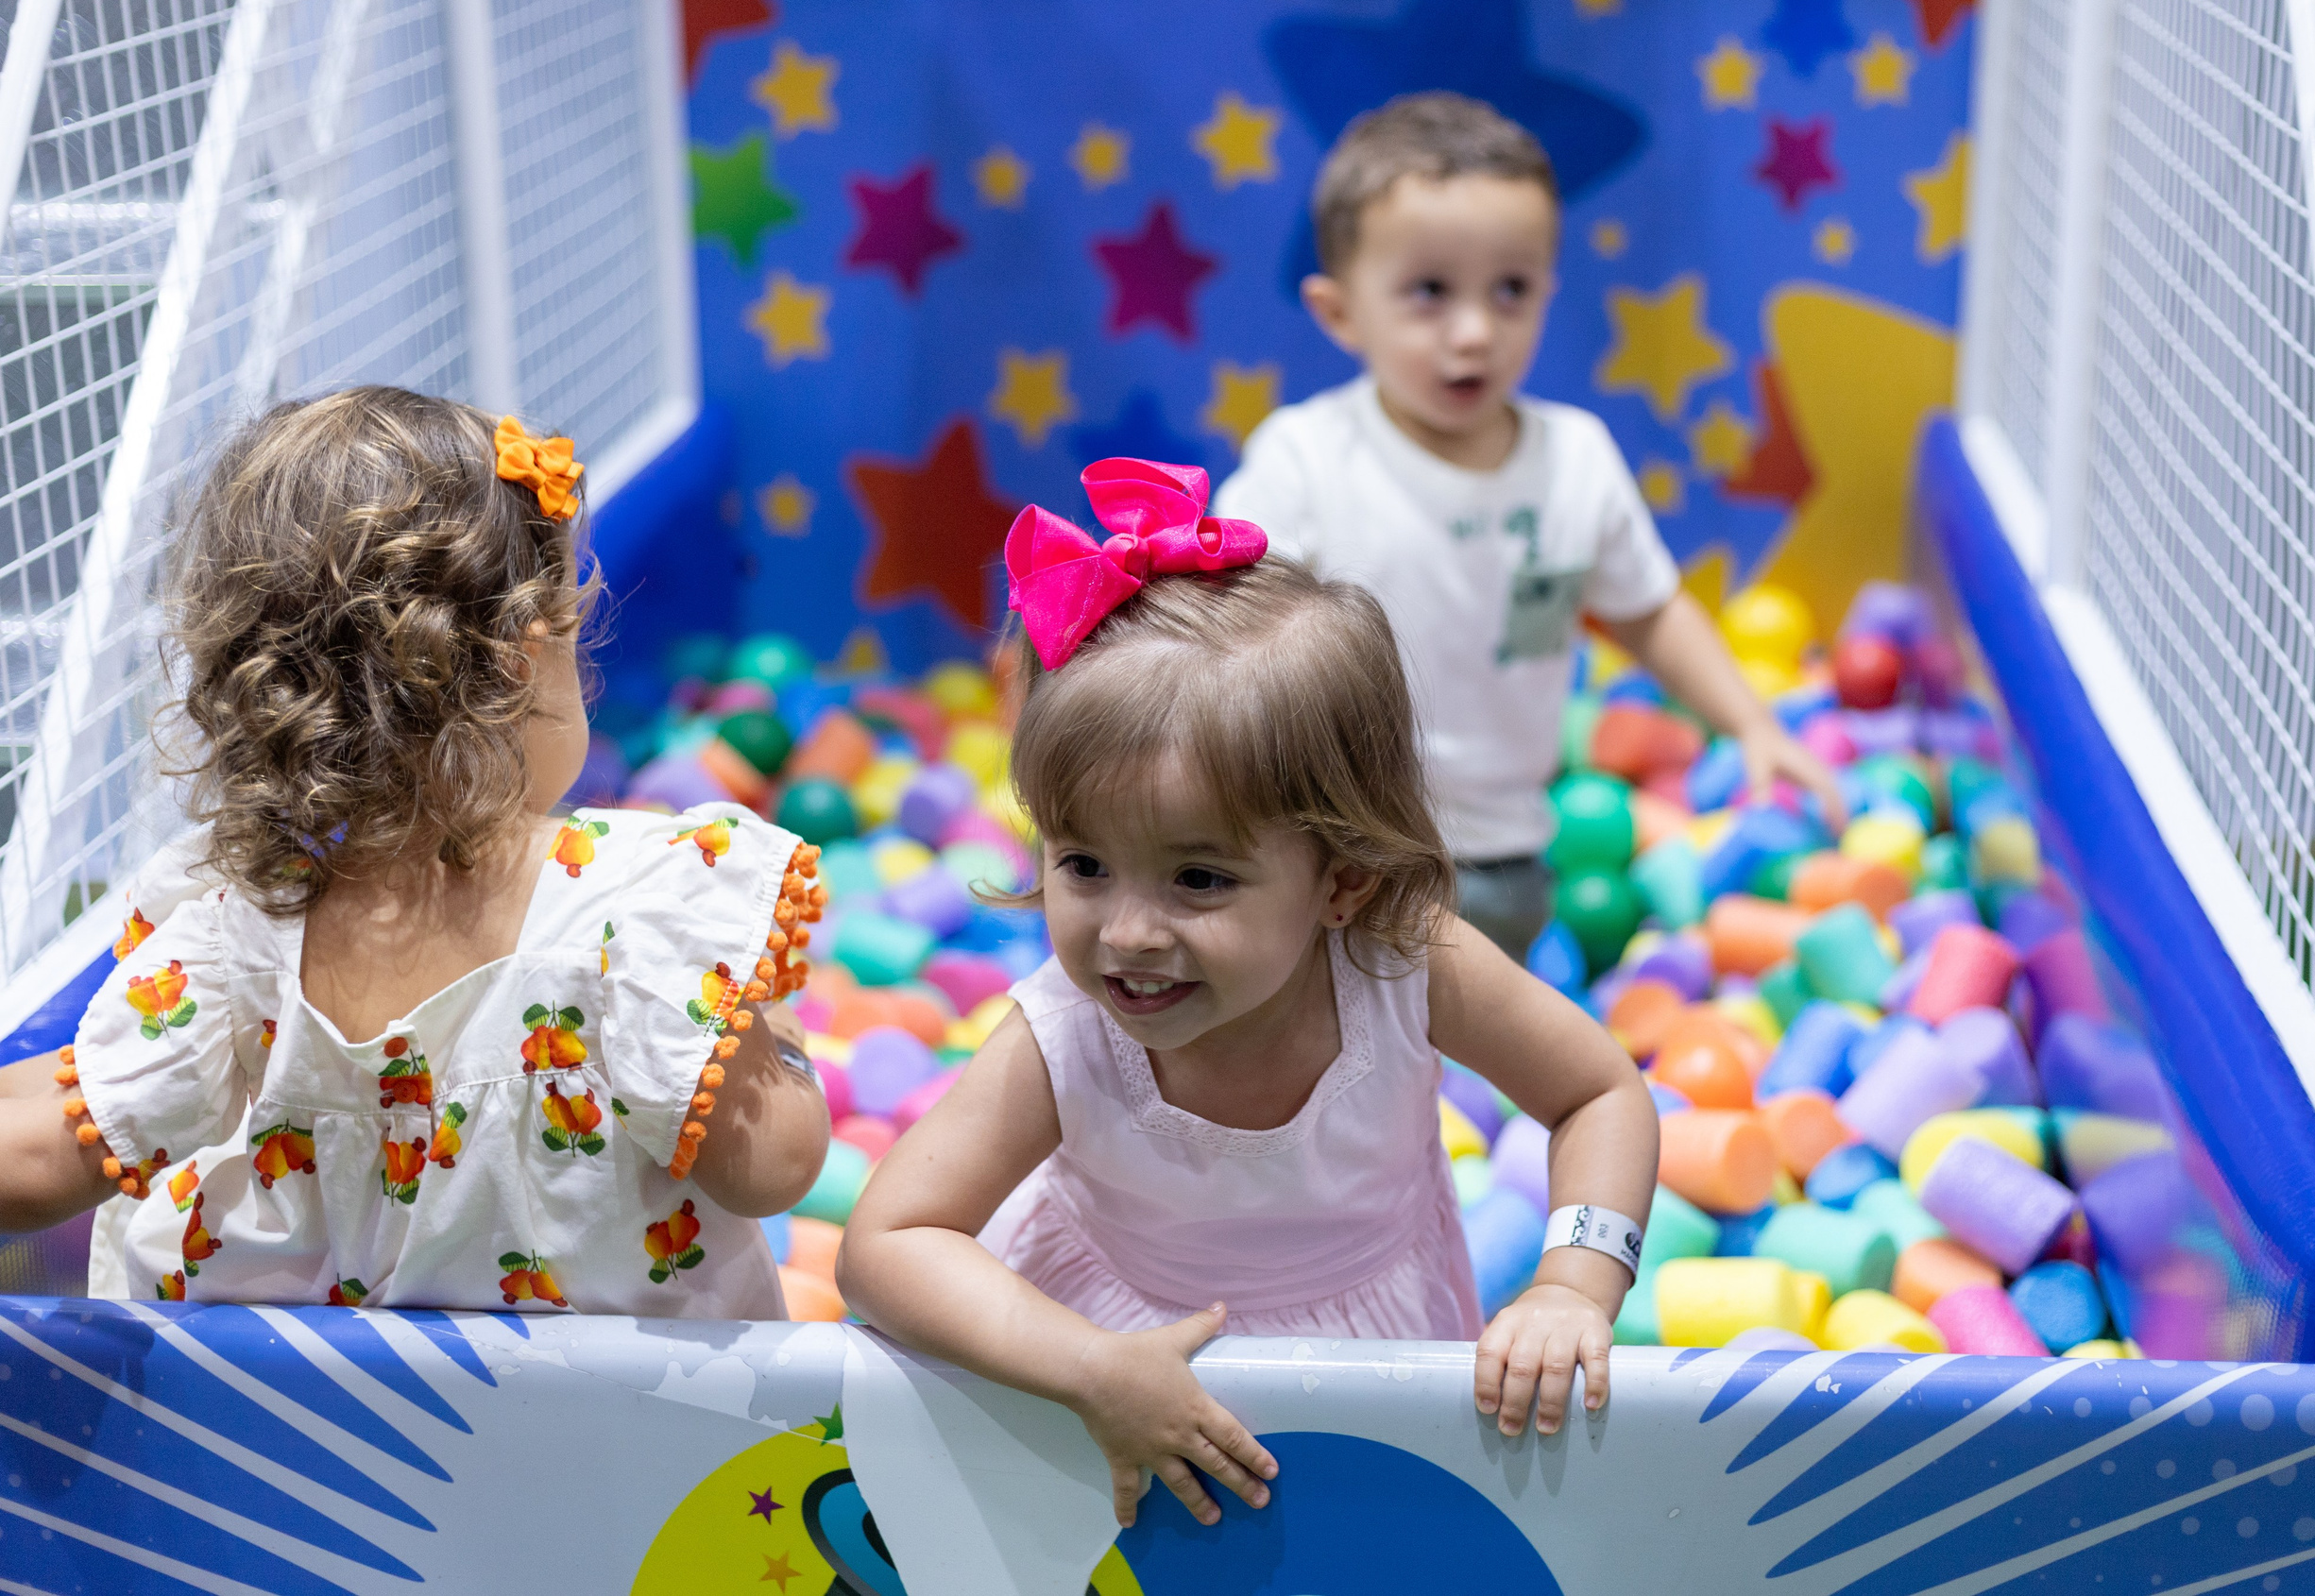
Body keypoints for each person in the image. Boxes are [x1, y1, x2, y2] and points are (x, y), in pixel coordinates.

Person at [839, 458, 1660, 1530]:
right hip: (1108, 1348)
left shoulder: (1402, 963)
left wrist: (1571, 1285)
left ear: (1341, 880)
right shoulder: (1068, 1034)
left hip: (1376, 1341)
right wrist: (1088, 1366)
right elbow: (886, 1243)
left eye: (1199, 878)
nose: (1127, 932)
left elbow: (1599, 1093)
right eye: (1082, 863)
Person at [0, 387, 830, 1317]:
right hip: (621, 1434)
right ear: (524, 660)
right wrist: (773, 1033)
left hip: (313, 1431)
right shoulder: (635, 909)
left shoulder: (235, 931)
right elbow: (772, 1164)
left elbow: (37, 1163)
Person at [1215, 93, 1840, 959]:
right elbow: (1220, 623)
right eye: (1429, 293)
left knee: (1475, 1037)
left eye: (1510, 291)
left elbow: (1648, 609)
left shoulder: (1573, 460)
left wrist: (1754, 724)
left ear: (1549, 290)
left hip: (1504, 849)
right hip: (1331, 850)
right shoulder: (1309, 459)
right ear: (1340, 312)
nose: (1474, 332)